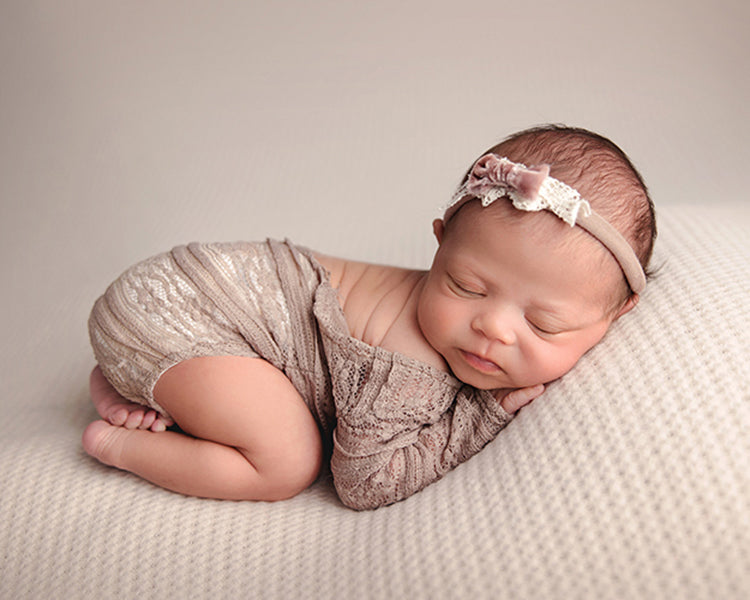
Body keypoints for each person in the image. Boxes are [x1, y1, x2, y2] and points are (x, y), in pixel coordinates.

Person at [83, 125, 657, 510]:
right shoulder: (408, 366)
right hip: (177, 313)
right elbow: (363, 483)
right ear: (438, 245)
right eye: (465, 286)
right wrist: (479, 420)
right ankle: (118, 442)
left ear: (618, 313)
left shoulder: (473, 315)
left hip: (191, 290)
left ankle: (139, 382)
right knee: (286, 462)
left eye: (544, 324)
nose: (494, 328)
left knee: (261, 405)